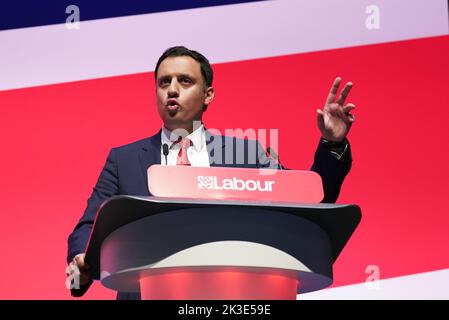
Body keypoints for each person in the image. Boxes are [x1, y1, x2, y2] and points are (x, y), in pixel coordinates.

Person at [66, 46, 356, 300]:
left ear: (208, 95)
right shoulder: (124, 159)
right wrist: (80, 261)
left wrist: (333, 143)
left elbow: (310, 202)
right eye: (164, 82)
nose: (172, 89)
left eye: (185, 81)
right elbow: (88, 227)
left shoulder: (246, 155)